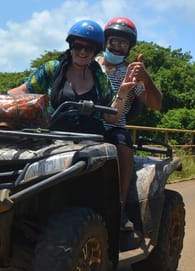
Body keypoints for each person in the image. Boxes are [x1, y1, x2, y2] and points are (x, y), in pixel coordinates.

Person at [8, 19, 138, 229]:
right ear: (71, 45)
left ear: (96, 50)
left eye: (89, 48)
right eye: (79, 46)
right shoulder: (53, 68)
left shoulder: (99, 76)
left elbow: (111, 117)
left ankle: (116, 209)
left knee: (98, 169)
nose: (83, 52)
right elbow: (24, 90)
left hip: (90, 140)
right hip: (54, 135)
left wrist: (123, 92)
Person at [96, 16, 163, 230]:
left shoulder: (132, 73)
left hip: (115, 128)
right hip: (86, 125)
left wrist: (145, 78)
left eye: (123, 43)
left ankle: (120, 206)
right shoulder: (91, 64)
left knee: (124, 148)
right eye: (114, 41)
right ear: (105, 41)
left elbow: (155, 104)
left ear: (129, 47)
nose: (117, 46)